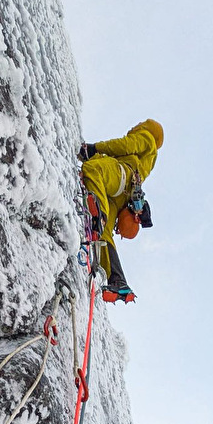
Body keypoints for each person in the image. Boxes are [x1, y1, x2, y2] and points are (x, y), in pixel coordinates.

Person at [79, 119, 164, 302]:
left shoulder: (147, 138)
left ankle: (98, 217)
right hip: (120, 197)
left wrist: (94, 148)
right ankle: (118, 281)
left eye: (142, 123)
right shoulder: (148, 161)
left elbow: (125, 145)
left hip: (122, 175)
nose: (137, 125)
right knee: (104, 235)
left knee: (93, 169)